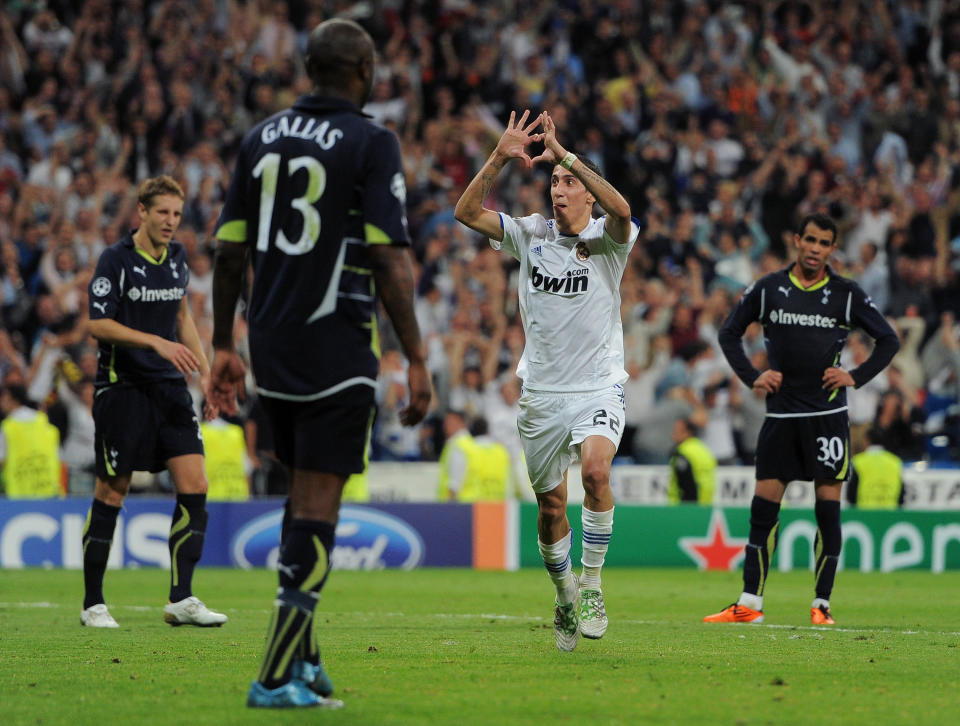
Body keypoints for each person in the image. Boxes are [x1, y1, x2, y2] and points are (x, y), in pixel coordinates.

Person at [207, 18, 431, 709]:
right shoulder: (371, 141)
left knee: (299, 493)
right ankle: (274, 675)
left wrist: (222, 343)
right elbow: (391, 257)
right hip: (335, 339)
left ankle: (302, 659)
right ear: (363, 70)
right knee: (319, 506)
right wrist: (416, 358)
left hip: (269, 345)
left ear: (309, 70)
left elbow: (228, 250)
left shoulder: (260, 138)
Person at [454, 109, 638, 651]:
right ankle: (563, 595)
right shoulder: (528, 235)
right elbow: (465, 212)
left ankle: (593, 585)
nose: (559, 189)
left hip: (598, 386)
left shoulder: (610, 241)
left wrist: (564, 152)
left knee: (597, 472)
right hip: (542, 395)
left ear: (588, 193)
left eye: (569, 182)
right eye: (554, 181)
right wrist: (497, 157)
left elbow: (625, 209)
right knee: (552, 507)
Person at [704, 213, 899, 626]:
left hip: (828, 417)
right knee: (763, 511)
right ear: (797, 240)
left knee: (827, 511)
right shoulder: (769, 288)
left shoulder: (846, 294)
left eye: (824, 242)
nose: (815, 248)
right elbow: (729, 333)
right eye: (809, 239)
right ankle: (749, 603)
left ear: (832, 249)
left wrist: (856, 377)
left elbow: (888, 340)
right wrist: (753, 376)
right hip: (781, 415)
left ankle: (821, 604)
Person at [81, 175, 226, 630]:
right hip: (121, 387)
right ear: (141, 212)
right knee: (113, 490)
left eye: (177, 214)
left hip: (169, 390)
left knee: (196, 483)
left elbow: (181, 315)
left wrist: (207, 376)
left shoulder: (177, 257)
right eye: (162, 212)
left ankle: (181, 598)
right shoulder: (116, 260)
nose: (170, 222)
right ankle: (93, 604)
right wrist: (154, 343)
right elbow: (97, 324)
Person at [0, 383, 61, 497]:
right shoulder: (44, 422)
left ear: (14, 400)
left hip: (18, 493)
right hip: (47, 490)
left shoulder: (8, 427)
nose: (1, 402)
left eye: (3, 398)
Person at [437, 411, 512, 502]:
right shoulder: (500, 451)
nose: (445, 426)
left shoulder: (460, 446)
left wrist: (448, 508)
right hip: (496, 505)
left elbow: (454, 484)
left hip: (465, 504)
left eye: (449, 422)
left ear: (461, 422)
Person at [848, 427, 904, 509]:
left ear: (867, 440)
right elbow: (901, 493)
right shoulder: (895, 461)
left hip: (865, 514)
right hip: (891, 514)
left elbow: (852, 494)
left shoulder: (858, 461)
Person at [668, 418, 716, 504]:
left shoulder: (682, 451)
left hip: (685, 507)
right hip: (705, 503)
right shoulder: (704, 449)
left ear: (688, 433)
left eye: (676, 431)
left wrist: (688, 509)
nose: (673, 434)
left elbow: (686, 484)